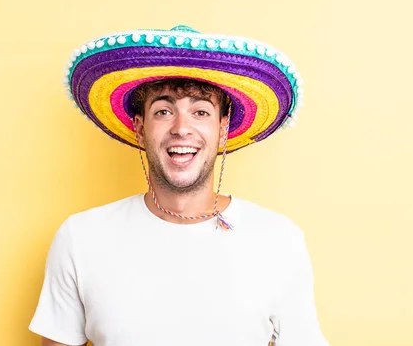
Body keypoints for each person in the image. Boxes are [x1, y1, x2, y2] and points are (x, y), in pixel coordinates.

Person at [29, 25, 329, 346]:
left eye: (200, 111)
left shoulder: (278, 239)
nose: (181, 128)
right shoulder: (81, 237)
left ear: (223, 129)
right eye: (163, 111)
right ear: (140, 129)